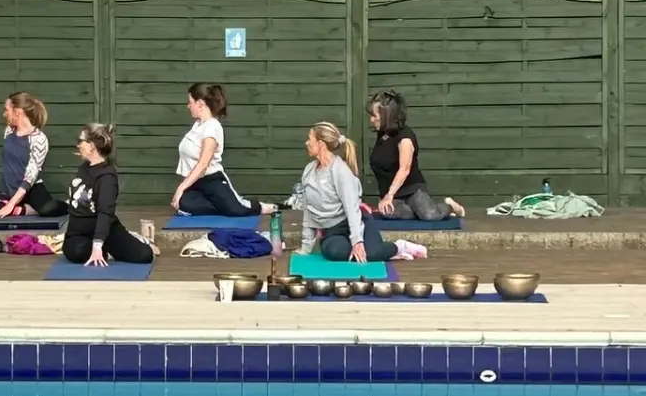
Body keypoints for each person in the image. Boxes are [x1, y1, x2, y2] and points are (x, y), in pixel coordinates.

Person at [293, 121, 396, 263]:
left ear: (321, 144)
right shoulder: (309, 171)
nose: (307, 143)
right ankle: (366, 250)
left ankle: (400, 247)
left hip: (356, 222)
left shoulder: (340, 171)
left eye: (310, 139)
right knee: (334, 252)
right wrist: (306, 247)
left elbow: (352, 209)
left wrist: (357, 241)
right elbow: (308, 210)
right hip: (332, 232)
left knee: (372, 253)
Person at [172, 83, 274, 218]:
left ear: (200, 103)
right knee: (183, 204)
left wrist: (181, 188)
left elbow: (203, 165)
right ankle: (222, 206)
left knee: (236, 211)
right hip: (195, 183)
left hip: (212, 181)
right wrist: (184, 187)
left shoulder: (212, 127)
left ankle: (264, 207)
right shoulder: (197, 125)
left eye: (190, 102)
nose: (188, 106)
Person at [62, 123, 155, 267]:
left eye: (81, 141)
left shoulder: (107, 177)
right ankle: (105, 249)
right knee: (76, 252)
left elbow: (105, 212)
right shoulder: (84, 168)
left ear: (92, 146)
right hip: (79, 231)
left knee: (144, 255)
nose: (78, 145)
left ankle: (133, 240)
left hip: (105, 228)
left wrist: (98, 244)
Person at [366, 90, 465, 221]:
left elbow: (404, 168)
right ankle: (419, 210)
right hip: (394, 196)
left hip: (412, 190)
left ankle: (449, 206)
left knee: (430, 215)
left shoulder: (405, 137)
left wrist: (389, 195)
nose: (371, 119)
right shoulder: (383, 135)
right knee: (387, 212)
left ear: (387, 116)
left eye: (375, 116)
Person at [0, 91, 66, 218]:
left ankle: (69, 205)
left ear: (17, 112)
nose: (4, 114)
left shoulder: (39, 139)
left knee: (48, 209)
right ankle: (24, 210)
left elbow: (30, 176)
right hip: (10, 191)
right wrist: (10, 201)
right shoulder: (9, 131)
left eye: (7, 110)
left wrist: (10, 205)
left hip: (31, 190)